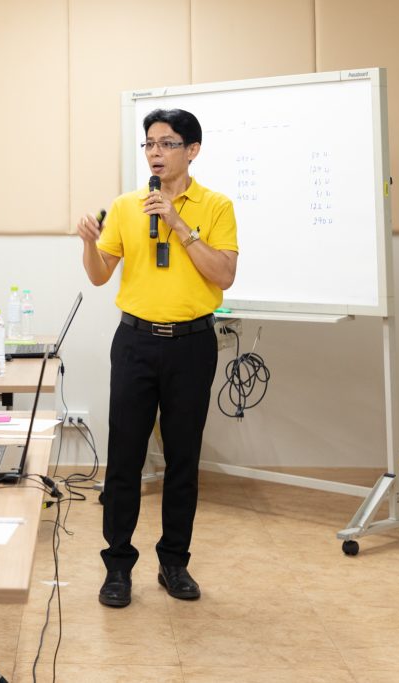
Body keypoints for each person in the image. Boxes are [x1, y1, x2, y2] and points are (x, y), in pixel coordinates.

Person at [77, 109, 238, 608]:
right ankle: (117, 566)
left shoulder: (216, 206)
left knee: (183, 458)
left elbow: (224, 274)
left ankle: (174, 563)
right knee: (124, 456)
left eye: (167, 143)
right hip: (135, 343)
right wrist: (89, 244)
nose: (155, 153)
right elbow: (100, 275)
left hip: (192, 344)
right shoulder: (126, 206)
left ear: (192, 150)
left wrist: (177, 222)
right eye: (149, 144)